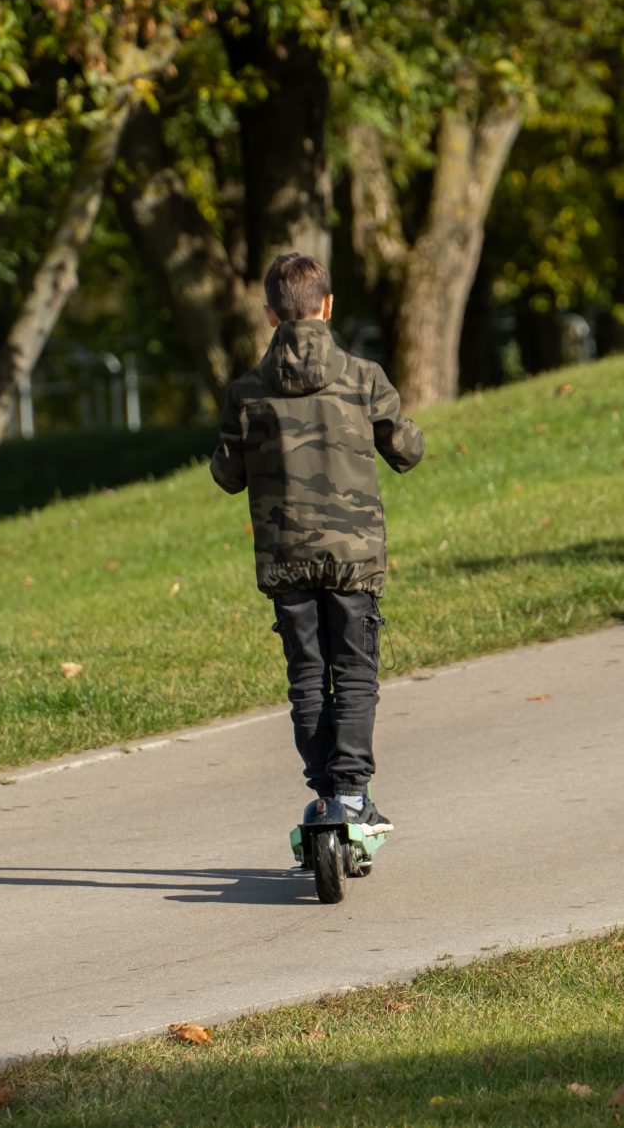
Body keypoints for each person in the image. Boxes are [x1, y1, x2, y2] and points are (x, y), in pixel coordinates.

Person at [210, 251, 424, 834]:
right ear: (328, 306)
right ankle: (353, 792)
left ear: (270, 314)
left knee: (308, 677)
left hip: (287, 561)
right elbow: (404, 451)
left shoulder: (248, 391)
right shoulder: (364, 377)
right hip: (354, 558)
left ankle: (327, 792)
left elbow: (226, 475)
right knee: (354, 672)